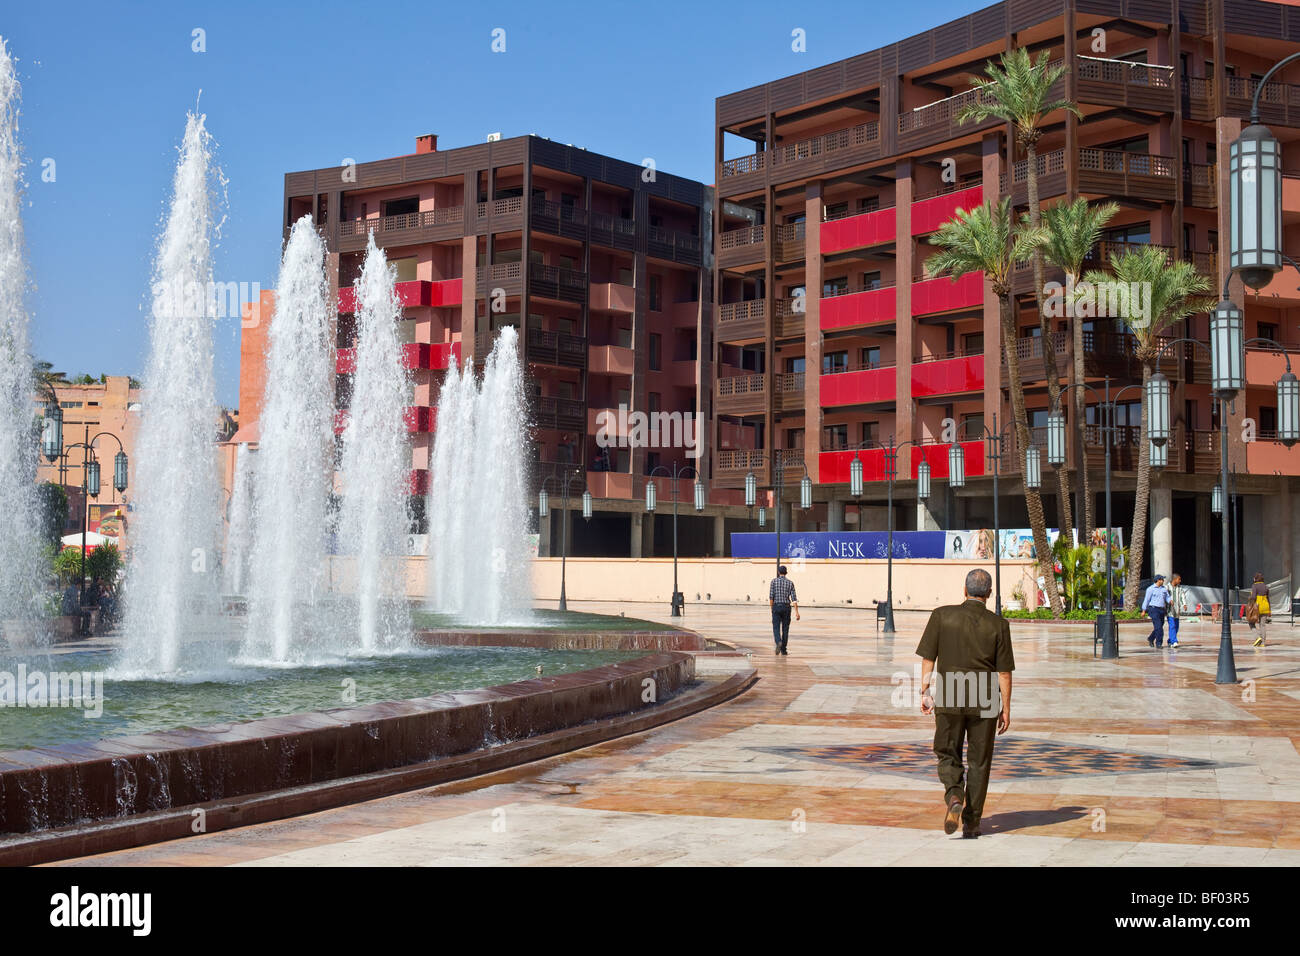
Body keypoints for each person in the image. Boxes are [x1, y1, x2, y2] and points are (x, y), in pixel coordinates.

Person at [917, 568, 1014, 839]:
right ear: (990, 594)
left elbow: (928, 658)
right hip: (985, 700)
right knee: (980, 761)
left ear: (964, 590)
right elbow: (1004, 673)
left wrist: (924, 690)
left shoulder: (942, 615)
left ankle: (955, 794)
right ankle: (972, 823)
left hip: (949, 696)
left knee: (947, 752)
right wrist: (1005, 708)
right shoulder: (999, 625)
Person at [768, 564, 800, 656]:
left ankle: (778, 642)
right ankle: (784, 650)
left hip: (776, 606)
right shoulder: (790, 583)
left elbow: (771, 597)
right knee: (785, 629)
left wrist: (772, 609)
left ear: (778, 572)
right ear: (786, 573)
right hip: (786, 607)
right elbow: (794, 599)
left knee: (776, 627)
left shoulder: (773, 582)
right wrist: (797, 612)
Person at [1141, 573, 1170, 648]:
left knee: (1159, 626)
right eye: (1162, 579)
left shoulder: (1164, 589)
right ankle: (1159, 643)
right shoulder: (1150, 589)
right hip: (1153, 609)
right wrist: (1144, 610)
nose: (1163, 581)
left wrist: (1170, 601)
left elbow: (1167, 597)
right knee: (1159, 627)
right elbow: (1146, 600)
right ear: (1158, 580)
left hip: (1161, 610)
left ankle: (1151, 638)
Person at [1249, 572, 1271, 647]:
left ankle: (1257, 637)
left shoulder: (1254, 586)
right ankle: (1263, 643)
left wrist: (1250, 600)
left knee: (1251, 623)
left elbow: (1253, 597)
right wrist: (1269, 610)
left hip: (1257, 607)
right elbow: (1268, 598)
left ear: (1255, 578)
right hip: (1265, 607)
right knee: (1263, 625)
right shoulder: (1266, 586)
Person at [1166, 573, 1184, 648]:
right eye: (1179, 579)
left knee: (1176, 626)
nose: (1180, 581)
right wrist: (1169, 601)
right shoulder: (1166, 587)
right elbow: (1165, 596)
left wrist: (1184, 605)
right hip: (1170, 610)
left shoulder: (1180, 588)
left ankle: (1170, 640)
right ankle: (1174, 641)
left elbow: (1182, 597)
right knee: (1172, 625)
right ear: (1174, 579)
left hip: (1177, 610)